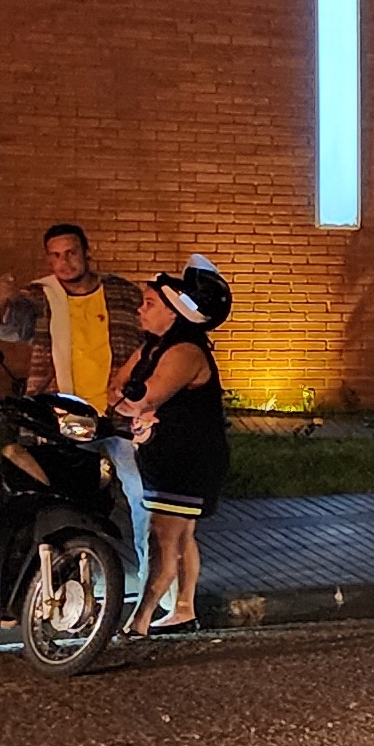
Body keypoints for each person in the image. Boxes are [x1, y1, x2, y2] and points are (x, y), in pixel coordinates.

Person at [0, 222, 150, 549]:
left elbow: (148, 340)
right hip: (66, 415)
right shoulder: (43, 296)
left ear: (87, 253)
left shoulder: (121, 292)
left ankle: (151, 568)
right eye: (56, 256)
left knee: (141, 492)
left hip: (117, 411)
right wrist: (2, 301)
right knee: (64, 492)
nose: (64, 263)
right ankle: (70, 561)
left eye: (71, 253)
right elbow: (9, 330)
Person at [118, 260, 231, 636]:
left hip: (187, 457)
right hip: (163, 455)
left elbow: (144, 396)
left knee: (163, 534)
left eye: (148, 303)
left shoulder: (185, 353)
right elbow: (115, 392)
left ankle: (140, 621)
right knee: (180, 535)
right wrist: (133, 404)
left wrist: (137, 404)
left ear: (172, 311)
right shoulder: (152, 348)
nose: (140, 309)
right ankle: (184, 610)